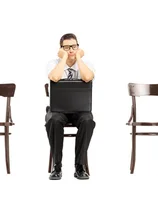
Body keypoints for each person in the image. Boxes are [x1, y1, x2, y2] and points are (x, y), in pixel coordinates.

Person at [45, 33, 96, 180]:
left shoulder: (87, 64)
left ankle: (80, 167)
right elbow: (54, 77)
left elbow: (87, 77)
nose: (71, 50)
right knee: (53, 120)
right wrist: (64, 59)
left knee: (88, 121)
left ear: (78, 47)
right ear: (61, 49)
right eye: (66, 47)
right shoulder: (53, 63)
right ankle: (57, 166)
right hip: (58, 110)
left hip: (80, 110)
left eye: (73, 46)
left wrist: (78, 58)